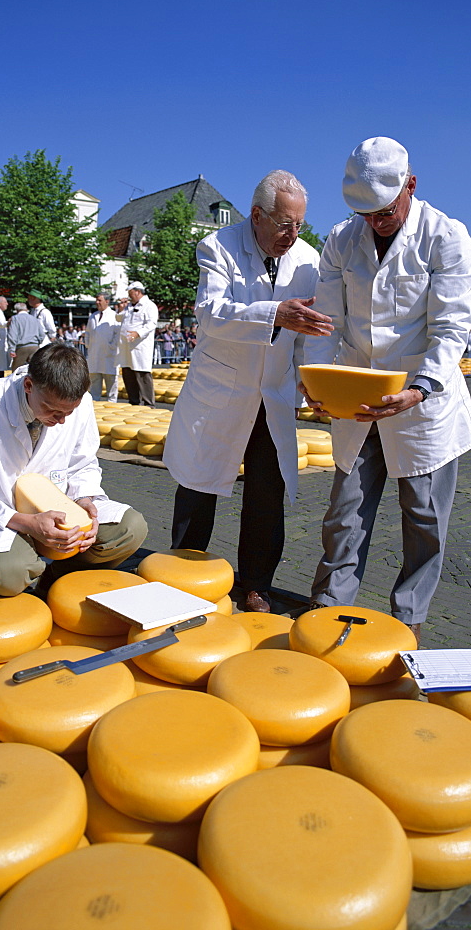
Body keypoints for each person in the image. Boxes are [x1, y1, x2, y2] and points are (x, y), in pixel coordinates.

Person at [300, 137, 471, 642]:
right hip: (356, 395)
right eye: (366, 214)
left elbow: (450, 329)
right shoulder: (341, 239)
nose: (376, 222)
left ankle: (409, 617)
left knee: (423, 517)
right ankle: (328, 606)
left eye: (385, 211)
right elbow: (327, 323)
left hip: (421, 402)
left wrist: (421, 389)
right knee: (346, 509)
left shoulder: (447, 238)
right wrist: (314, 377)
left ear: (411, 185)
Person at [163, 169, 332, 613]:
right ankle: (183, 571)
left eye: (299, 224)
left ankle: (256, 583)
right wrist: (275, 312)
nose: (292, 235)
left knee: (265, 492)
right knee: (198, 486)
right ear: (256, 215)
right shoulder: (217, 247)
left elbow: (310, 335)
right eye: (284, 224)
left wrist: (314, 379)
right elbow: (211, 313)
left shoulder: (308, 261)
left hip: (272, 396)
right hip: (220, 391)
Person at [0, 342, 149, 598]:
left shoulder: (81, 405)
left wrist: (85, 499)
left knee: (130, 528)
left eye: (68, 412)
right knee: (8, 573)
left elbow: (83, 464)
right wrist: (26, 523)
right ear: (29, 385)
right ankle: (24, 576)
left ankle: (58, 578)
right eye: (52, 410)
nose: (60, 420)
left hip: (58, 511)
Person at [116, 281, 159, 406]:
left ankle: (148, 403)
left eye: (131, 294)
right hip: (126, 347)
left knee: (142, 374)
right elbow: (119, 318)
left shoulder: (149, 306)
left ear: (138, 292)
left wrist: (138, 333)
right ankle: (133, 400)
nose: (129, 297)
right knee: (128, 373)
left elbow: (151, 324)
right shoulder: (129, 306)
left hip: (140, 346)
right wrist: (121, 308)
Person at [85, 293, 120, 403]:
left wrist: (112, 346)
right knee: (94, 380)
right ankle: (95, 401)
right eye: (96, 300)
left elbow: (117, 333)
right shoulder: (93, 316)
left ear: (107, 301)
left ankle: (112, 402)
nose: (97, 302)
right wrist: (88, 345)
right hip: (94, 354)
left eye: (99, 300)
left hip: (109, 354)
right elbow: (88, 332)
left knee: (111, 381)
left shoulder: (114, 315)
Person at [7, 302, 44, 371]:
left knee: (16, 371)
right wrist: (38, 342)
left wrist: (12, 349)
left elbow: (12, 334)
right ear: (26, 309)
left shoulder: (15, 319)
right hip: (35, 346)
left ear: (16, 310)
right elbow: (42, 334)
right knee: (35, 370)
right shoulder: (34, 319)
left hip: (21, 347)